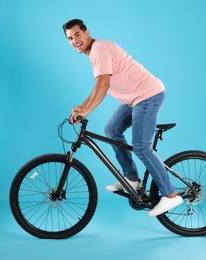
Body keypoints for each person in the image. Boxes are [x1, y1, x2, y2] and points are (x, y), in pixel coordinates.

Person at [63, 19, 183, 217]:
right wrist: (83, 106)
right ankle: (132, 180)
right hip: (134, 99)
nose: (75, 40)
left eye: (77, 34)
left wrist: (86, 111)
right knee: (112, 130)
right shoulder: (96, 52)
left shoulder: (99, 49)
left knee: (141, 146)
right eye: (70, 38)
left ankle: (171, 195)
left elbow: (103, 84)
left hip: (147, 95)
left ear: (87, 32)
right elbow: (99, 86)